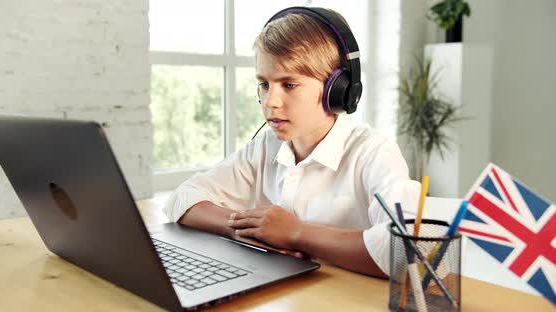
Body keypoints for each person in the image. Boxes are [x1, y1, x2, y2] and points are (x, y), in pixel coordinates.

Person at [163, 7, 420, 278]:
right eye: (264, 84)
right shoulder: (265, 147)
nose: (270, 102)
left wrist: (296, 233)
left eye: (289, 85)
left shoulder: (373, 153)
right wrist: (242, 228)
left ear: (338, 90)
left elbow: (405, 251)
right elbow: (182, 198)